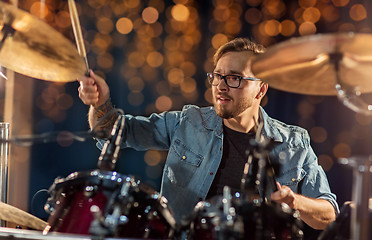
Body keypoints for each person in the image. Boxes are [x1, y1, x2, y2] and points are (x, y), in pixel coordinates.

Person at [78, 38, 339, 233]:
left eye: (235, 78)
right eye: (217, 76)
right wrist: (99, 103)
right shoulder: (188, 121)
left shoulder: (294, 142)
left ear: (260, 89)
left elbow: (329, 214)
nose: (221, 86)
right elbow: (114, 131)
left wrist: (295, 201)